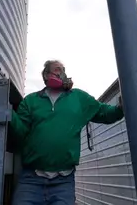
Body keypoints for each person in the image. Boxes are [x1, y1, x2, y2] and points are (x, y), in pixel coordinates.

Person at [11, 60, 124, 205]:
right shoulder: (31, 101)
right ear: (46, 75)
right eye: (58, 69)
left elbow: (104, 113)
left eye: (63, 69)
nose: (62, 73)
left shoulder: (79, 98)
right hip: (31, 179)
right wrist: (9, 113)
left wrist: (120, 108)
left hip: (63, 182)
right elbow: (20, 131)